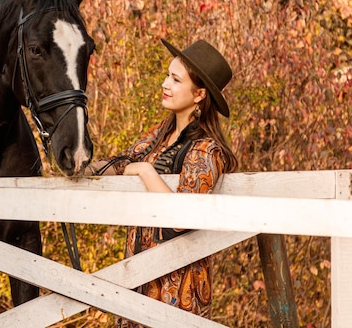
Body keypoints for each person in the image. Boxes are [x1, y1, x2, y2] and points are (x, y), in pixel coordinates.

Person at [86, 38, 238, 323]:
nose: (165, 84)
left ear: (199, 95)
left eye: (176, 79)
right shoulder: (159, 135)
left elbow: (182, 217)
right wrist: (79, 166)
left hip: (175, 286)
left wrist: (145, 172)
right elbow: (120, 164)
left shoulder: (206, 150)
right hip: (138, 276)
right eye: (168, 75)